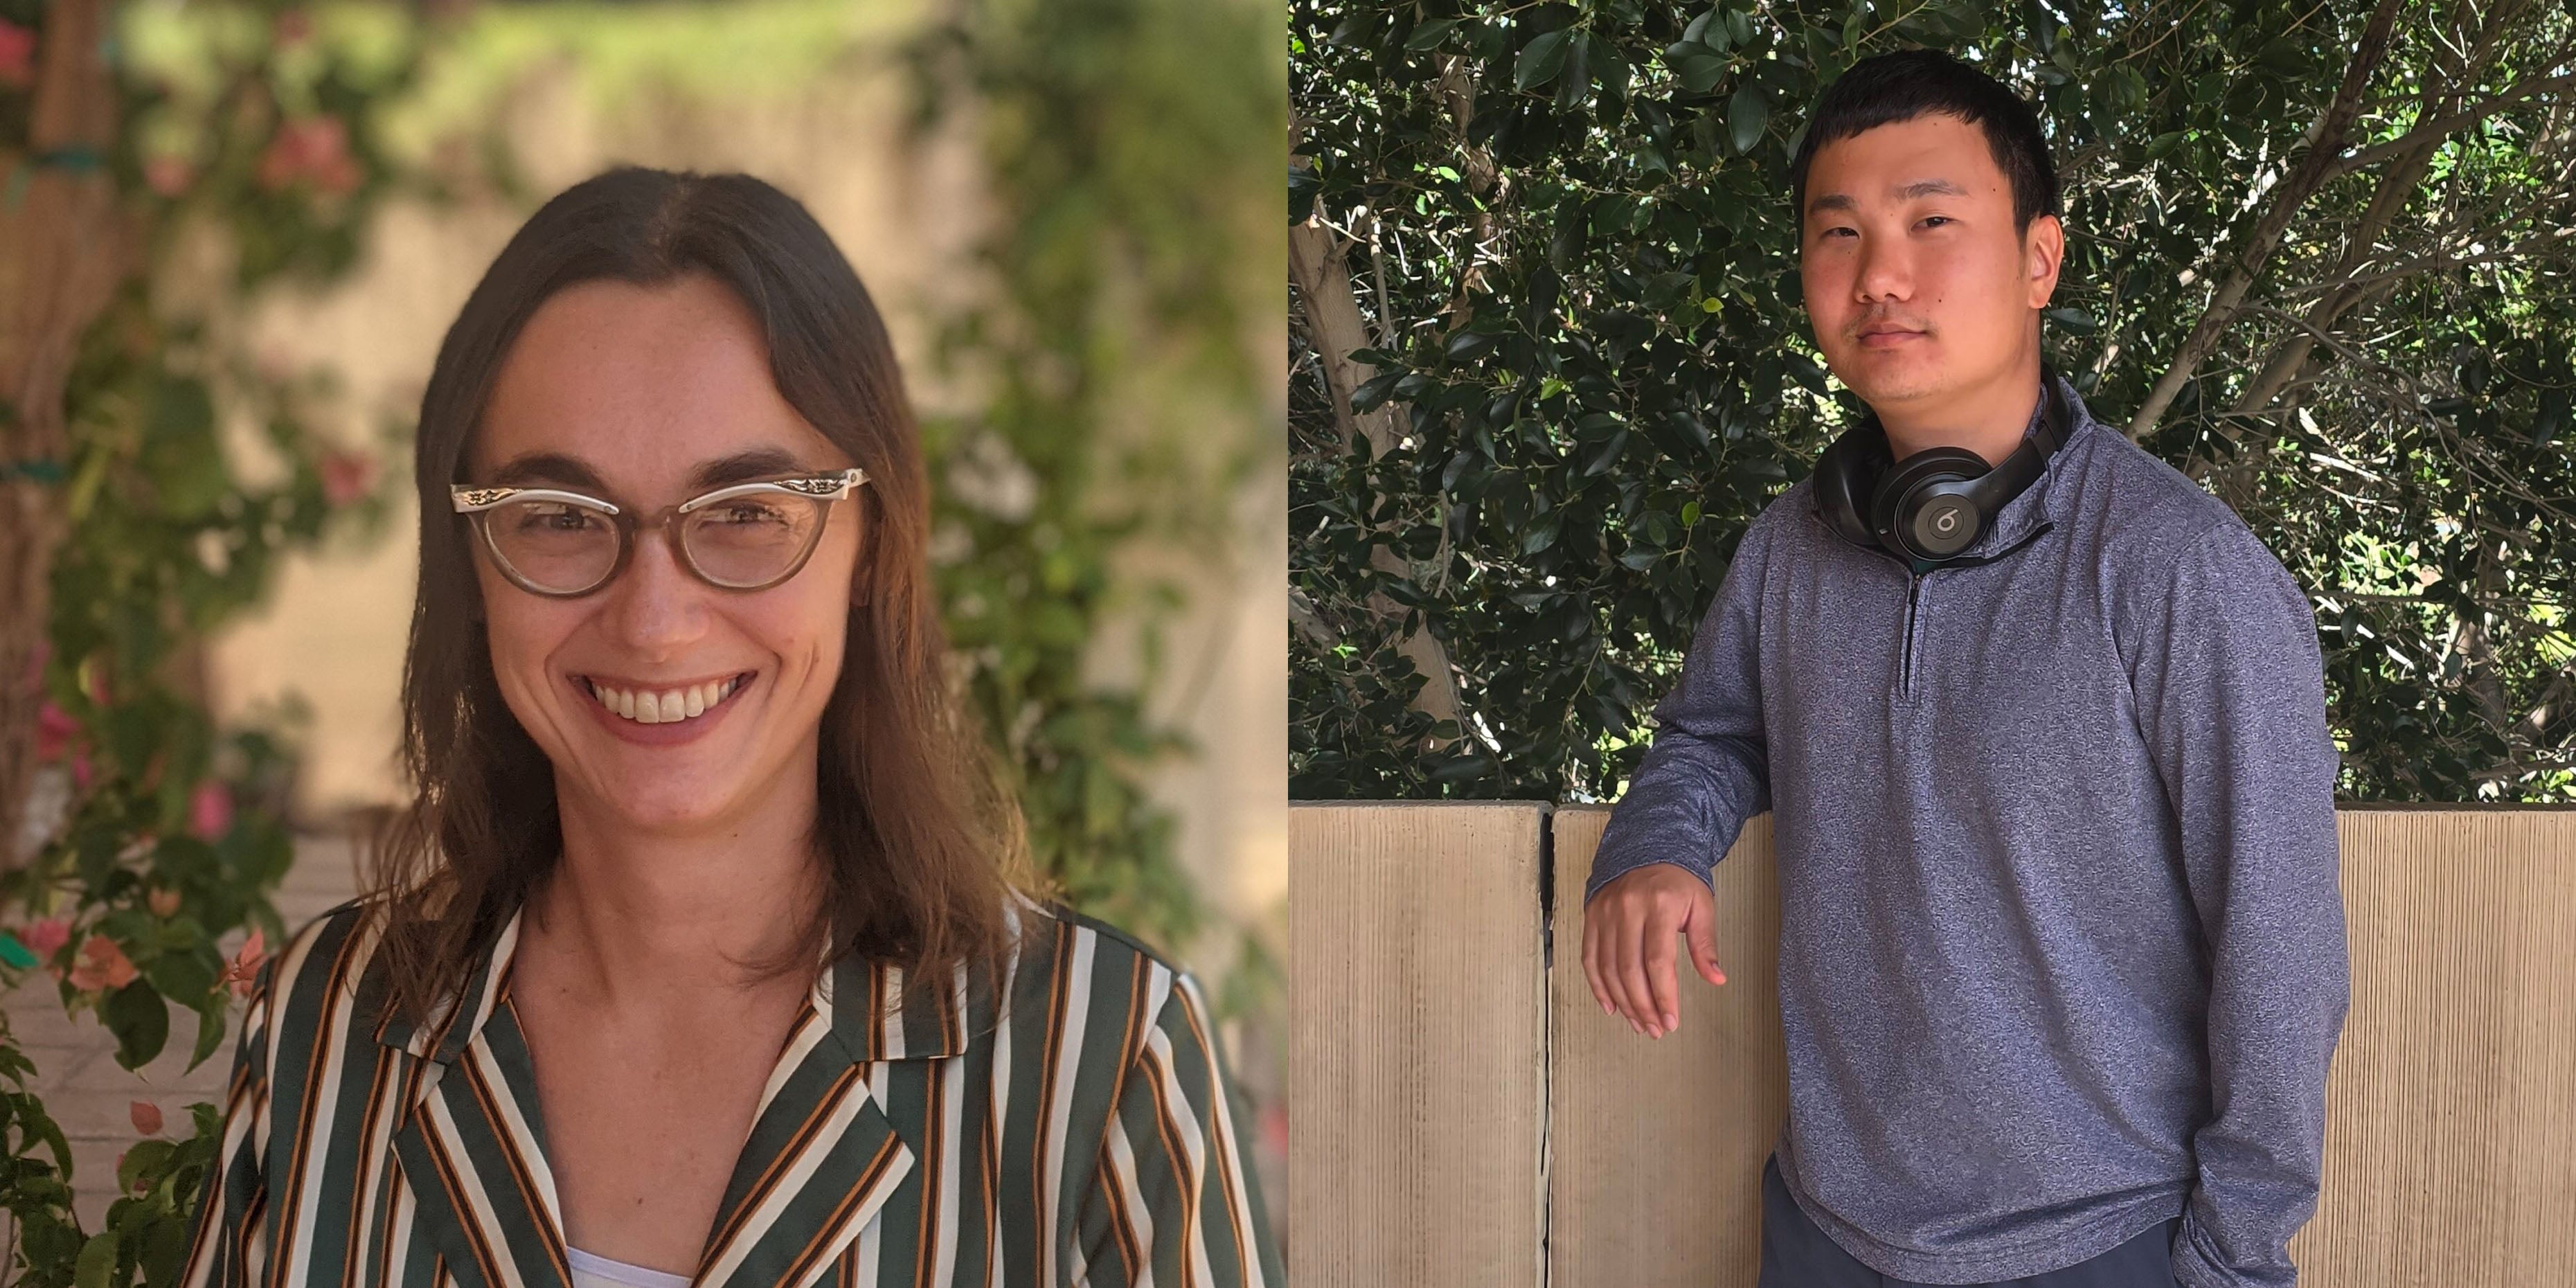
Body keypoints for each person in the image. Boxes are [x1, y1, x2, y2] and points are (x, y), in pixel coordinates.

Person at [177, 168, 1280, 1288]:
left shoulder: (1101, 1061)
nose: (654, 623)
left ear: (872, 547)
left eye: (746, 514)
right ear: (468, 566)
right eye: (559, 517)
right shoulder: (332, 1021)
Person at [1579, 50, 2348, 1288]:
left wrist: (2227, 1259)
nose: (1880, 275)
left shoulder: (2179, 571)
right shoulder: (1792, 543)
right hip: (1823, 1226)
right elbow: (1713, 735)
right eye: (1840, 234)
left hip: (2109, 1246)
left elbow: (2283, 946)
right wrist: (1655, 846)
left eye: (1932, 222)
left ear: (2041, 259)